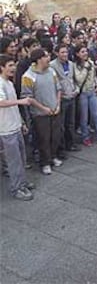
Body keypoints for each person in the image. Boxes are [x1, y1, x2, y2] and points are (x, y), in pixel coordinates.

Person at [21, 48, 63, 175]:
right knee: (43, 139)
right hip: (40, 114)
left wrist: (58, 104)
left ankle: (53, 156)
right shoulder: (28, 76)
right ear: (39, 59)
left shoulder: (51, 71)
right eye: (45, 56)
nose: (48, 58)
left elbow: (58, 89)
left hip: (55, 110)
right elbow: (28, 97)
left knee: (55, 136)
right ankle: (45, 162)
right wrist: (43, 108)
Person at [0, 54, 35, 201]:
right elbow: (1, 102)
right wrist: (21, 102)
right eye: (10, 66)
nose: (13, 68)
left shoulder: (8, 82)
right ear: (1, 68)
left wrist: (21, 122)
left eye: (14, 65)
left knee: (21, 158)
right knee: (14, 161)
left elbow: (13, 104)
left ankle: (22, 182)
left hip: (15, 126)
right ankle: (16, 188)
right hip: (6, 130)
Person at [73, 45, 97, 147]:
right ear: (77, 54)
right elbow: (79, 79)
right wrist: (85, 68)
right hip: (83, 93)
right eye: (82, 52)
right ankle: (86, 137)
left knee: (96, 115)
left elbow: (94, 76)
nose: (85, 53)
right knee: (84, 117)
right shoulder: (75, 66)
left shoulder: (90, 63)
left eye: (86, 51)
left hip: (92, 91)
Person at [50, 44, 80, 151]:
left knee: (71, 123)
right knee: (61, 125)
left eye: (66, 52)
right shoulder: (52, 66)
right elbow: (53, 83)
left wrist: (76, 90)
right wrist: (60, 94)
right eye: (62, 52)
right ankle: (61, 147)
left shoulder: (71, 64)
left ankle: (71, 144)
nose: (65, 54)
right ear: (57, 53)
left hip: (72, 97)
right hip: (62, 99)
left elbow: (74, 79)